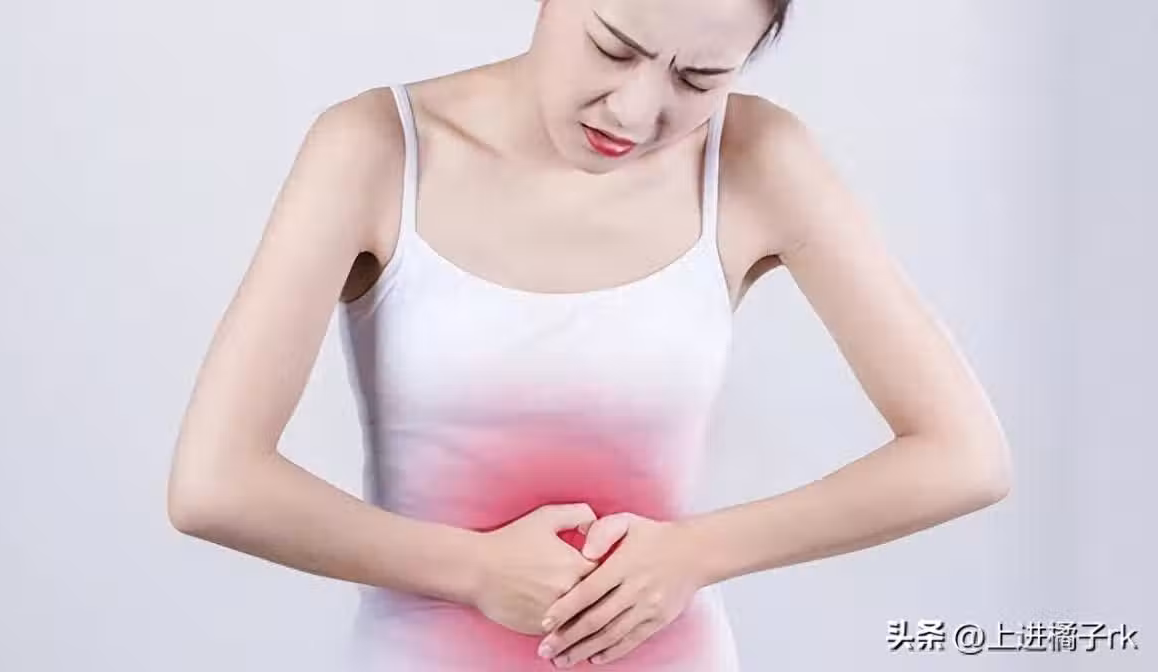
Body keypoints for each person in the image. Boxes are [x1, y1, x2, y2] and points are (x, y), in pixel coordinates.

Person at [166, 0, 1013, 669]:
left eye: (700, 77)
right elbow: (215, 483)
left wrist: (697, 552)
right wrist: (474, 570)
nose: (636, 109)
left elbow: (965, 455)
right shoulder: (375, 148)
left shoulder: (758, 159)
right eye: (613, 48)